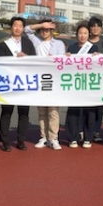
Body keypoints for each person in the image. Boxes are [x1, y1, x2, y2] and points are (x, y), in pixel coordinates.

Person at [24, 20, 66, 150]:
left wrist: (54, 59)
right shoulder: (37, 42)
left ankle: (53, 138)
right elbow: (27, 30)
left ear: (51, 31)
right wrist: (42, 25)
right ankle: (43, 137)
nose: (44, 32)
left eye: (47, 29)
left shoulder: (59, 44)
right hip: (40, 80)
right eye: (42, 29)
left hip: (54, 80)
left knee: (53, 111)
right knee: (42, 111)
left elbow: (63, 61)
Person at [0, 16, 37, 152]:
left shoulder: (28, 43)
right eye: (15, 25)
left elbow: (34, 60)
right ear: (11, 27)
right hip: (9, 82)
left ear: (23, 28)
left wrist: (26, 57)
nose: (17, 28)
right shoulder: (3, 44)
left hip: (24, 82)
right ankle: (5, 141)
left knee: (24, 113)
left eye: (20, 26)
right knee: (6, 112)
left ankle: (21, 140)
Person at [65, 23, 98, 148]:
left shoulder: (93, 47)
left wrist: (97, 57)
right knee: (73, 111)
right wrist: (66, 57)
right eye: (80, 33)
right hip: (75, 83)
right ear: (77, 34)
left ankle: (88, 138)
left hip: (89, 83)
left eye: (85, 33)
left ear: (88, 34)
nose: (82, 36)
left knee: (89, 111)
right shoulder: (72, 48)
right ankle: (72, 138)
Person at [88, 17, 103, 143]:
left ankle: (96, 131)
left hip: (101, 79)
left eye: (98, 26)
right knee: (87, 106)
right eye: (93, 26)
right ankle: (86, 130)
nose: (95, 28)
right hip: (87, 79)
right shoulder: (84, 43)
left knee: (99, 107)